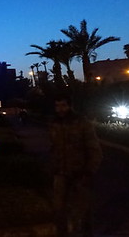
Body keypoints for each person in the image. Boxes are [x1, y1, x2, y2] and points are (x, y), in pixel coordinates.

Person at [49, 95, 102, 236]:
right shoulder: (54, 123)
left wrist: (90, 170)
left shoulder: (82, 123)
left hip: (81, 173)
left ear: (70, 106)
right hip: (60, 173)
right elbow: (53, 147)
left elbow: (94, 148)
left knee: (83, 208)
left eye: (63, 105)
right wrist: (52, 167)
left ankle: (85, 233)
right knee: (59, 208)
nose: (60, 109)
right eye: (57, 106)